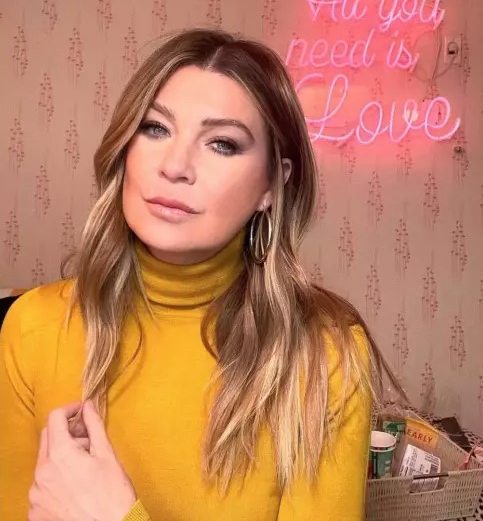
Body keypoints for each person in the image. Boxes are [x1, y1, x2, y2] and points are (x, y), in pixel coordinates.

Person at [0, 28, 405, 521]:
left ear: (272, 185)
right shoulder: (33, 329)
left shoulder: (327, 357)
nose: (175, 166)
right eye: (155, 128)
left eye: (222, 144)